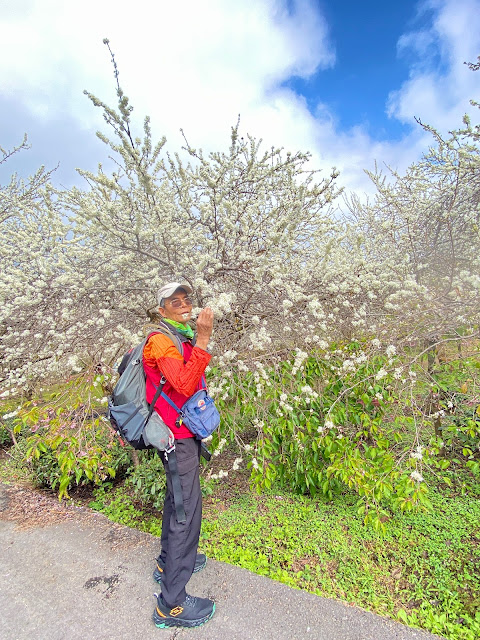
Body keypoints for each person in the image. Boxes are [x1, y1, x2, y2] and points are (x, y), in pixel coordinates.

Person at [142, 281, 215, 629]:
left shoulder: (177, 335)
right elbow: (183, 384)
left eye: (186, 299)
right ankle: (171, 603)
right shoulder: (160, 341)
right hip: (177, 438)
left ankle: (165, 563)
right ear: (162, 310)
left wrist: (195, 340)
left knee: (177, 501)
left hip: (183, 433)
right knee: (187, 511)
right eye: (175, 302)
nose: (184, 305)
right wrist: (203, 340)